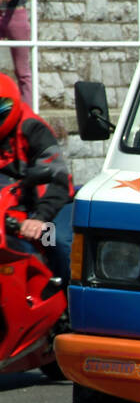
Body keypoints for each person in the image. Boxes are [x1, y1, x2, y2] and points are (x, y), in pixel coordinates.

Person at [0, 73, 73, 280]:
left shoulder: (32, 128)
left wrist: (40, 218)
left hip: (48, 205)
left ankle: (69, 301)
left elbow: (56, 176)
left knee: (55, 241)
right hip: (11, 207)